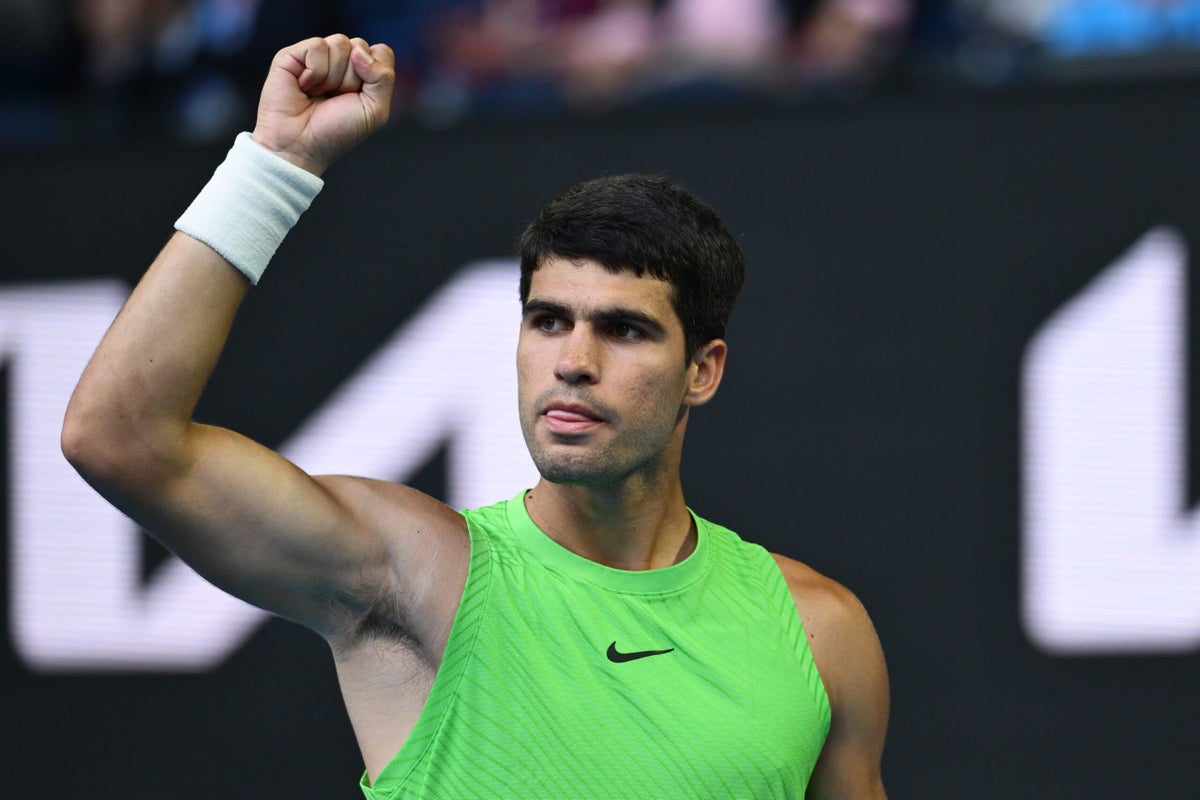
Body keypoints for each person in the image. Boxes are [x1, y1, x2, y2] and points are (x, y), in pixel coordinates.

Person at [61, 33, 889, 799]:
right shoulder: (415, 574)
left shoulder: (820, 632)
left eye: (625, 330)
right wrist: (277, 164)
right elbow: (118, 438)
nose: (573, 361)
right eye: (548, 319)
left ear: (702, 371)